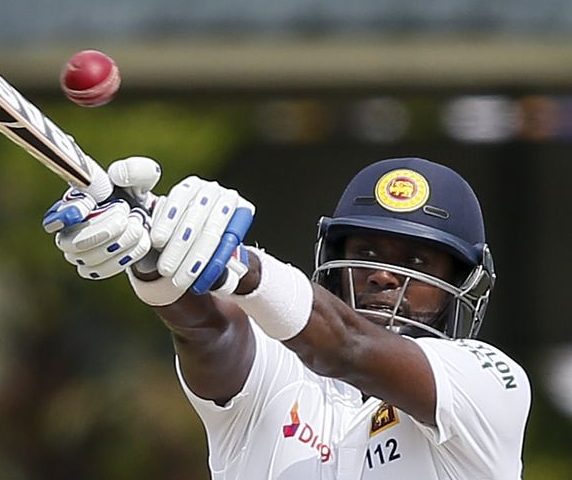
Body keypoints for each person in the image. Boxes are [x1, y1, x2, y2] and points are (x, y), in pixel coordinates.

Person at [43, 156, 531, 479]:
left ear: (465, 283)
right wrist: (151, 253)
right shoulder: (282, 374)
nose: (384, 276)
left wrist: (238, 264)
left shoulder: (488, 384)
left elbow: (345, 346)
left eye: (417, 262)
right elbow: (207, 330)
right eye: (365, 252)